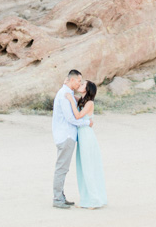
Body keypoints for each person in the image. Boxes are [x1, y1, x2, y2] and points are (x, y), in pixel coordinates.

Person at [52, 69, 93, 209]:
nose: (79, 84)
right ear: (72, 80)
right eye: (79, 81)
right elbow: (71, 118)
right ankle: (57, 199)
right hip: (66, 136)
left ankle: (60, 197)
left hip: (66, 135)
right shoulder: (65, 94)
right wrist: (87, 123)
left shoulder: (68, 93)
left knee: (63, 168)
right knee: (61, 168)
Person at [65, 80, 107, 209]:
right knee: (82, 167)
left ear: (87, 89)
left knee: (88, 166)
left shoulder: (89, 103)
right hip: (82, 136)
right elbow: (71, 97)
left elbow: (78, 116)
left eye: (83, 84)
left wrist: (72, 101)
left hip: (87, 136)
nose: (80, 85)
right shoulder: (81, 100)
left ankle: (94, 200)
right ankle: (86, 200)